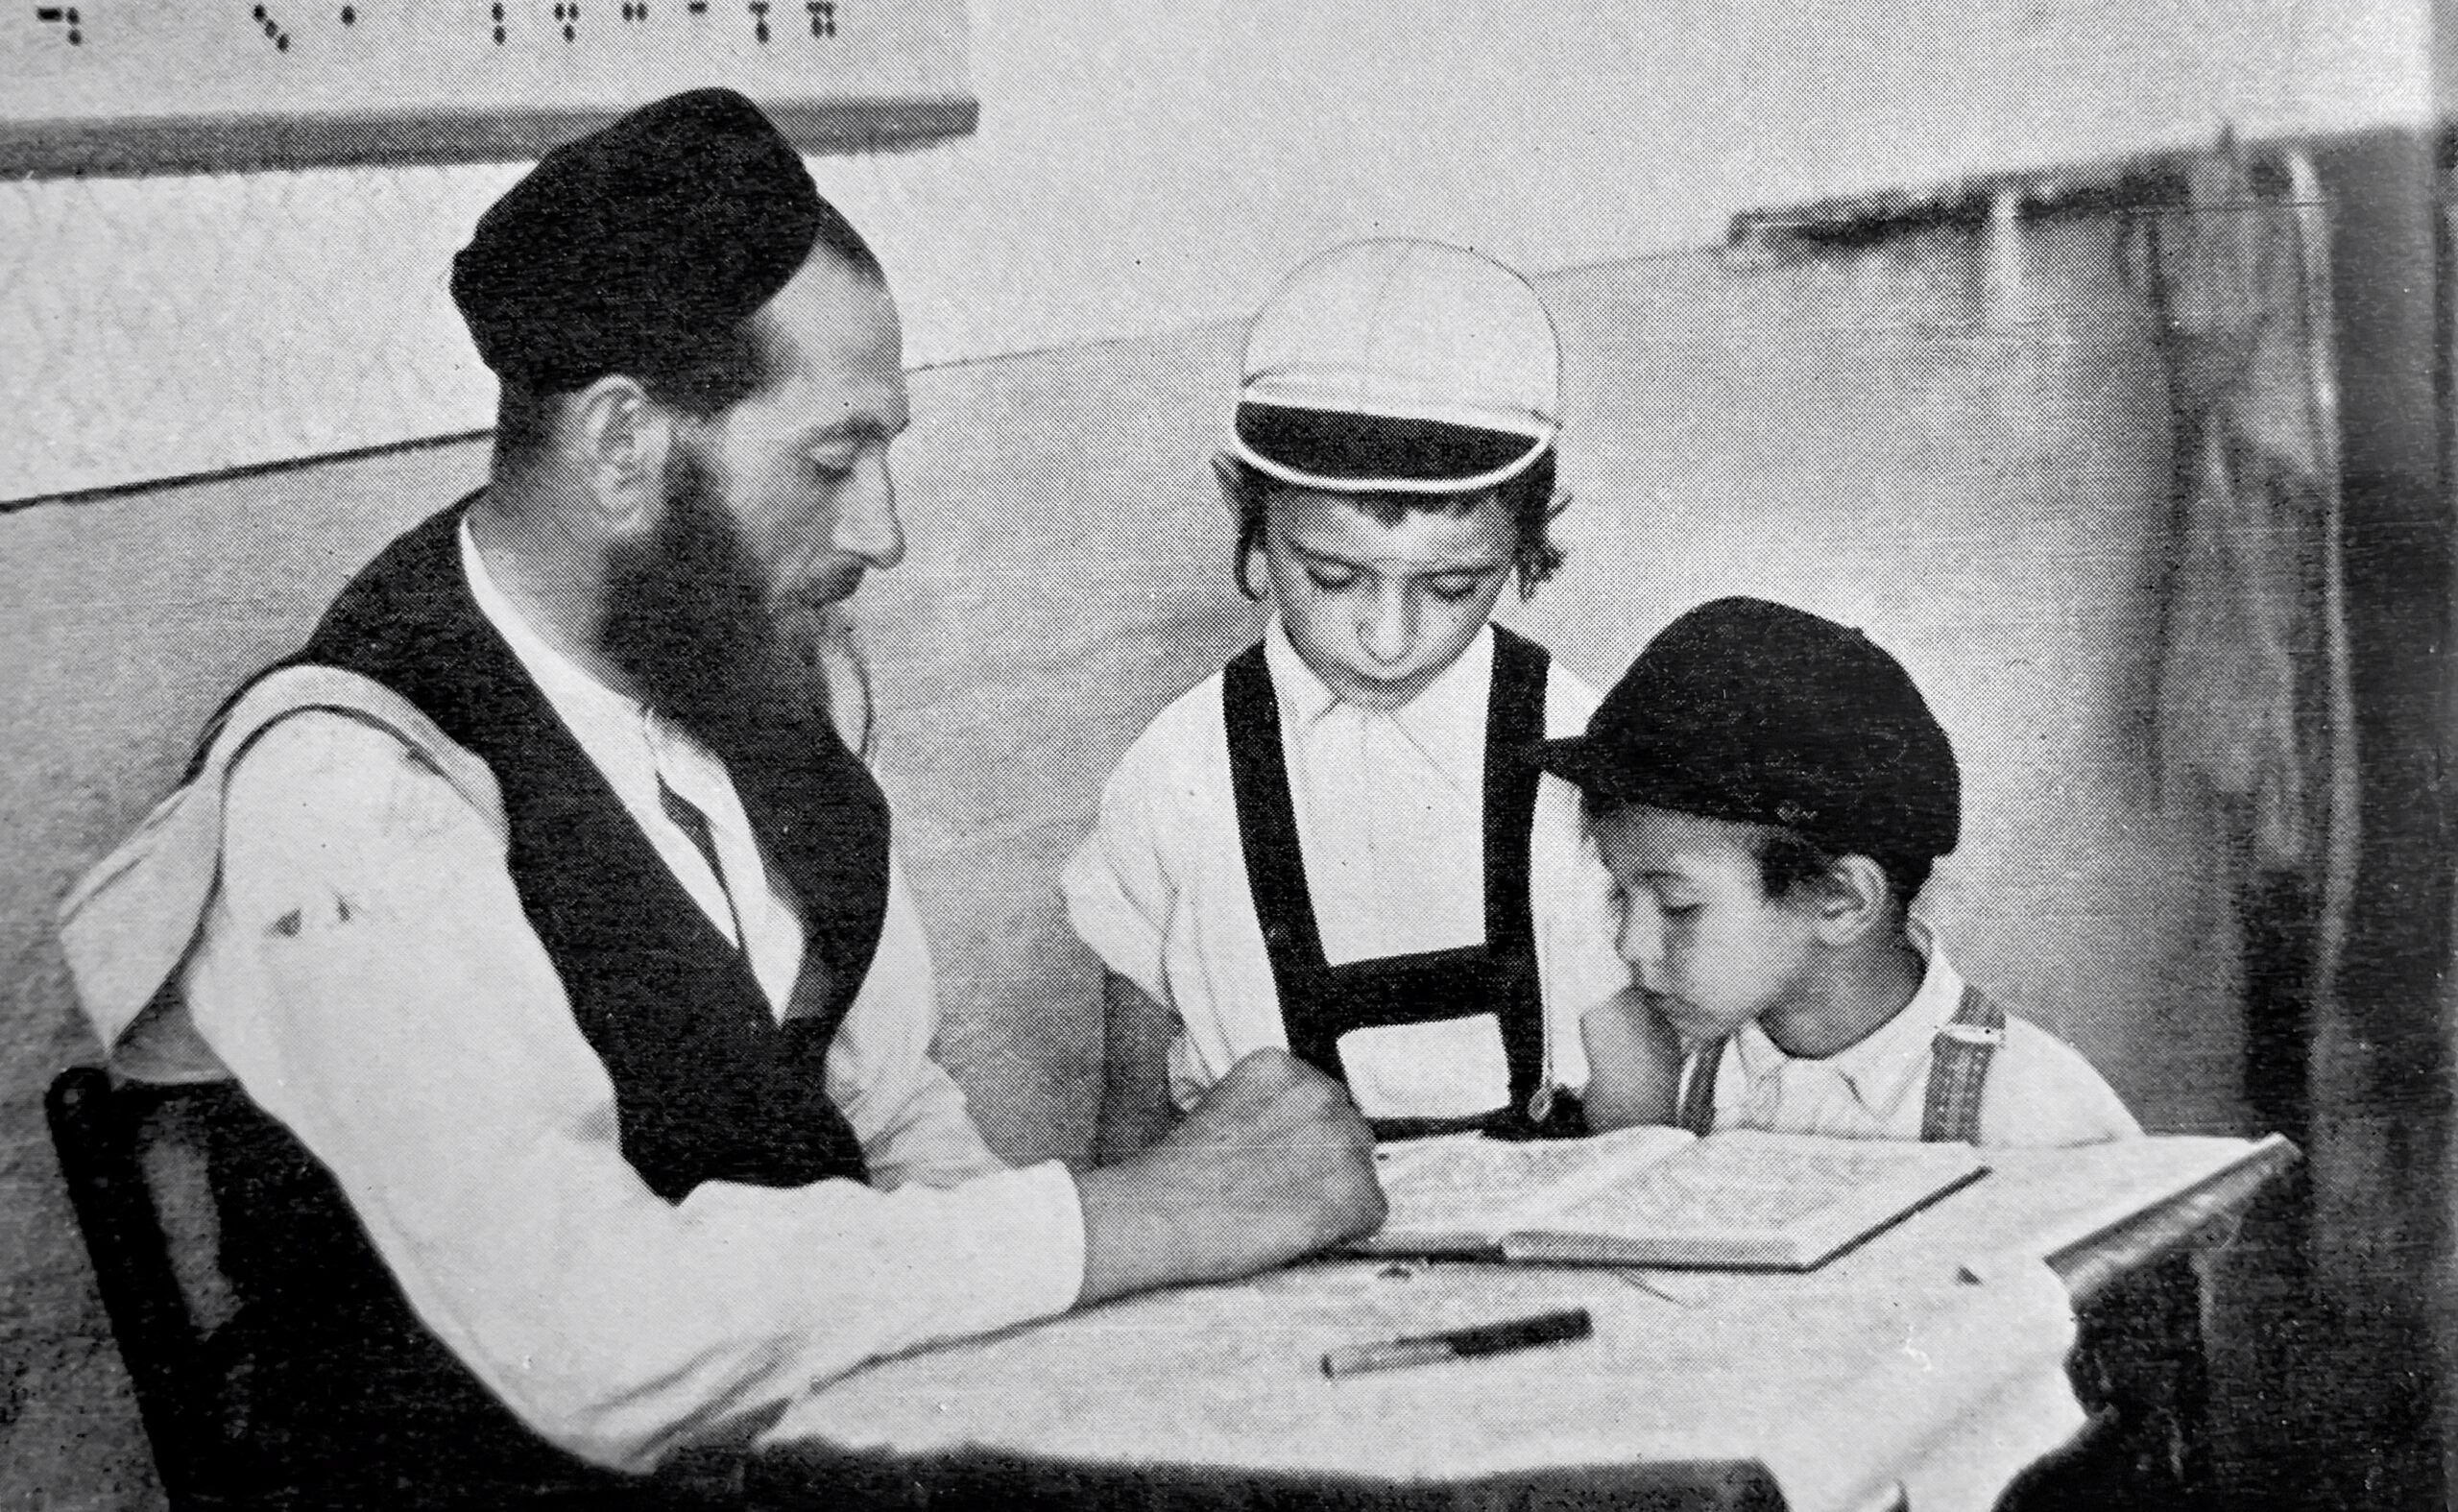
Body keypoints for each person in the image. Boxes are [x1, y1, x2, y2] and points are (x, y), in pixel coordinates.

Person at [58, 89, 1383, 1502]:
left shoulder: (754, 662)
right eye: (833, 459)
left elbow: (889, 1110)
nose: (883, 529)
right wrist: (1131, 1219)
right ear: (621, 442)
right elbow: (595, 1334)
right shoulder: (346, 783)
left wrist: (1064, 1375)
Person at [1062, 239, 1680, 1158]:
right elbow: (1131, 1117)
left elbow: (1639, 1097)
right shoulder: (1175, 774)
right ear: (1245, 510)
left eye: (1453, 587)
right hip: (1265, 1220)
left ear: (1524, 539)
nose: (1389, 642)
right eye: (1334, 576)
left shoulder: (1577, 744)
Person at [1531, 595, 2140, 1145]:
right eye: (1620, 894)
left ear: (1841, 899)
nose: (1631, 945)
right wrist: (1629, 1124)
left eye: (1677, 907)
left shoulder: (2033, 1113)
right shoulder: (1657, 1071)